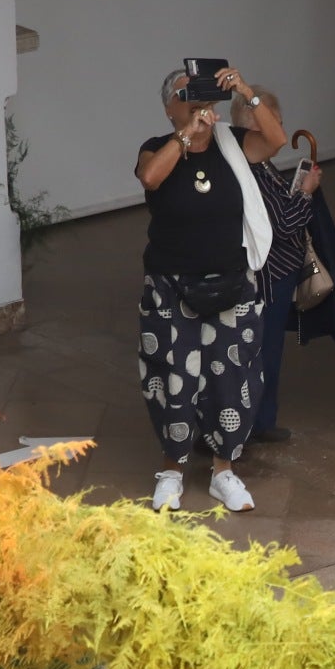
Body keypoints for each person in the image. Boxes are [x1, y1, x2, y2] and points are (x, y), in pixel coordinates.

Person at [134, 63, 287, 513]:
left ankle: (224, 472)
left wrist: (246, 93)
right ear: (169, 109)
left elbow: (276, 141)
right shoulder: (155, 148)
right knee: (172, 377)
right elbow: (150, 178)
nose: (199, 103)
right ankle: (172, 471)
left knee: (231, 377)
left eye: (203, 95)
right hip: (171, 285)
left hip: (231, 285)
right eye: (187, 95)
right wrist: (186, 137)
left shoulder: (233, 146)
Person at [229, 85, 335, 447]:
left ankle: (258, 420)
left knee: (263, 351)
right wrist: (306, 191)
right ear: (255, 126)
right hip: (270, 277)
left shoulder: (255, 162)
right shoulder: (253, 168)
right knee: (263, 353)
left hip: (274, 275)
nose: (282, 128)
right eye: (275, 121)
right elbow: (284, 223)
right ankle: (255, 424)